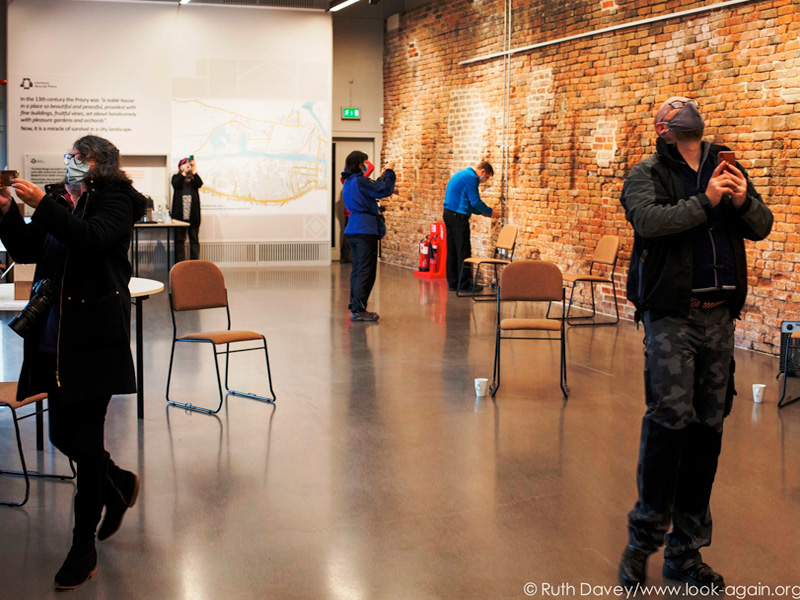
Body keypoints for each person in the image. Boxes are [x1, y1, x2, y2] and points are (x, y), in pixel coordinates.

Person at [618, 97, 773, 591]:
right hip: (672, 317)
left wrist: (742, 200)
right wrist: (706, 200)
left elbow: (762, 226)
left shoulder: (726, 164)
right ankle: (642, 542)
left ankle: (685, 552)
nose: (684, 112)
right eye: (674, 111)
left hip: (719, 320)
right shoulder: (647, 173)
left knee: (708, 428)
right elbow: (649, 224)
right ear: (663, 130)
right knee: (669, 423)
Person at [0, 135, 146, 591]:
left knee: (84, 444)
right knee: (62, 433)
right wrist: (6, 211)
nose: (71, 162)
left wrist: (43, 204)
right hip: (53, 336)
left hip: (93, 335)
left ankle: (82, 549)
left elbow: (90, 239)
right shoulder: (61, 198)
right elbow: (28, 251)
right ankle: (118, 482)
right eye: (70, 156)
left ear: (101, 164)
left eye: (79, 158)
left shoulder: (120, 200)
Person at [342, 151, 395, 322]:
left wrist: (379, 178)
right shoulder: (360, 180)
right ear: (359, 164)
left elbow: (370, 191)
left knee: (358, 270)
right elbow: (384, 190)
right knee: (366, 271)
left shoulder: (350, 182)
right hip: (365, 230)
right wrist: (389, 172)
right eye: (365, 162)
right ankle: (358, 309)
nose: (366, 165)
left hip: (354, 229)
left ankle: (356, 306)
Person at [442, 161, 499, 291]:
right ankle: (464, 284)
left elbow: (468, 202)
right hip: (458, 217)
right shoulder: (471, 177)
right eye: (487, 177)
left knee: (452, 250)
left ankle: (453, 283)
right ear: (483, 172)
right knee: (463, 250)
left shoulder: (463, 174)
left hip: (449, 214)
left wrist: (481, 213)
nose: (485, 180)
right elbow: (475, 201)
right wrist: (490, 212)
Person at [171, 156, 203, 261]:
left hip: (193, 216)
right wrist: (184, 172)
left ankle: (194, 264)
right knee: (179, 241)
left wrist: (193, 171)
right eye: (185, 165)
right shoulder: (176, 177)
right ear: (180, 167)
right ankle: (179, 264)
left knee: (194, 240)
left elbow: (200, 184)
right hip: (179, 217)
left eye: (189, 165)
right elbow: (176, 184)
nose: (188, 167)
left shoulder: (194, 179)